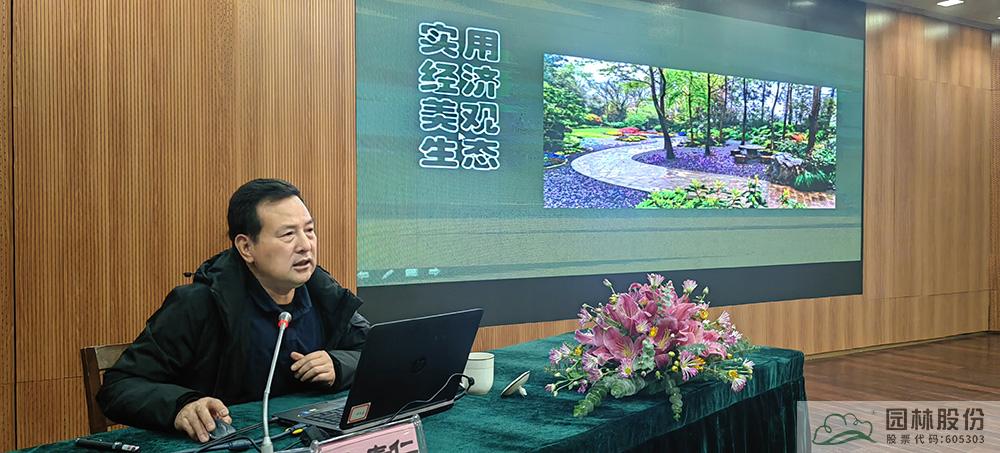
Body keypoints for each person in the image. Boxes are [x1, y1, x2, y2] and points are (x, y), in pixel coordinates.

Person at [97, 179, 370, 443]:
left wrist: (338, 364)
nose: (305, 245)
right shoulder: (201, 303)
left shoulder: (323, 294)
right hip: (229, 442)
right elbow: (119, 385)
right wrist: (182, 406)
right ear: (246, 247)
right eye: (288, 234)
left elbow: (373, 354)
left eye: (309, 230)